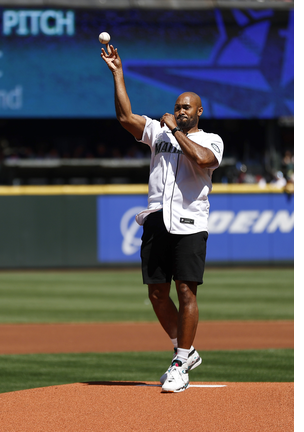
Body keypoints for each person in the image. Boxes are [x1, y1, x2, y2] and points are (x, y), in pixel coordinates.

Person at [101, 43, 224, 393]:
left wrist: (177, 131)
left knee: (186, 291)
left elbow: (202, 160)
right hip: (157, 218)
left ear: (199, 111)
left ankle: (180, 362)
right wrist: (118, 73)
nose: (180, 111)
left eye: (186, 107)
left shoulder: (212, 139)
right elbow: (126, 118)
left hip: (190, 222)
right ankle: (184, 351)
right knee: (157, 293)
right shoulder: (159, 132)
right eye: (176, 107)